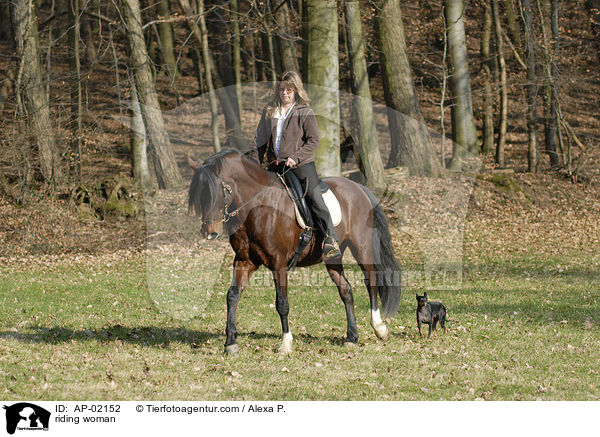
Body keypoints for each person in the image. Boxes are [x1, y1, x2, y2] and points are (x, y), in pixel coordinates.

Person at [250, 71, 342, 261]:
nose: (284, 93)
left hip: (301, 165)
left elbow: (313, 141)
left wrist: (296, 157)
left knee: (314, 197)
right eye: (282, 89)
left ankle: (330, 238)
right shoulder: (270, 111)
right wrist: (253, 165)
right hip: (275, 167)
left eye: (289, 90)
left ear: (296, 90)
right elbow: (259, 141)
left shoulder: (305, 111)